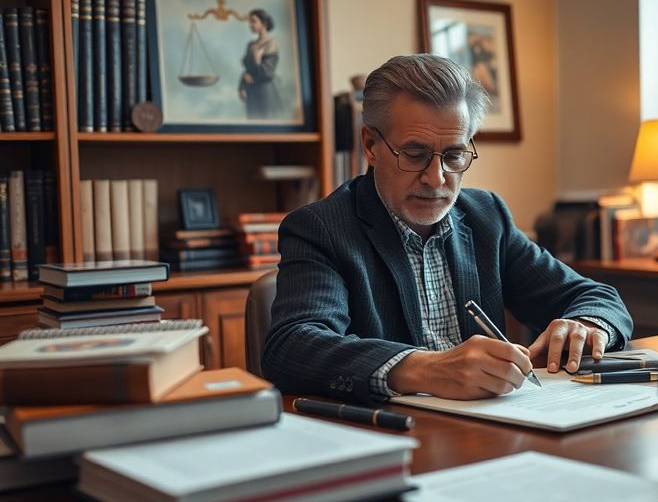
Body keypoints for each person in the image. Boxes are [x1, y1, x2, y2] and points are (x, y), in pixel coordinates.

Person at [262, 54, 632, 404]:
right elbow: (293, 346)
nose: (436, 178)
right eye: (415, 154)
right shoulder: (322, 228)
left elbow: (598, 297)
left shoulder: (486, 216)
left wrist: (586, 324)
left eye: (454, 155)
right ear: (370, 145)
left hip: (491, 432)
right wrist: (424, 368)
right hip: (389, 438)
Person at [238, 8, 284, 119]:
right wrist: (242, 86)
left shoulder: (271, 44)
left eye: (253, 21)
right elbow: (247, 70)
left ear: (263, 23)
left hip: (265, 93)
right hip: (251, 93)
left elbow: (268, 73)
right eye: (250, 22)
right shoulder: (251, 45)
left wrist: (258, 62)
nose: (250, 25)